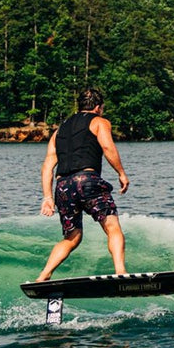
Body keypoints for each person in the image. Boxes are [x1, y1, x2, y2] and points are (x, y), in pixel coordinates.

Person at [33, 88, 132, 283]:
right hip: (87, 182)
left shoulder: (59, 130)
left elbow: (47, 166)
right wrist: (121, 173)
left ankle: (44, 275)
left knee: (72, 237)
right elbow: (107, 147)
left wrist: (47, 197)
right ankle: (120, 272)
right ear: (98, 107)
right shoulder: (99, 122)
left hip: (63, 187)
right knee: (112, 227)